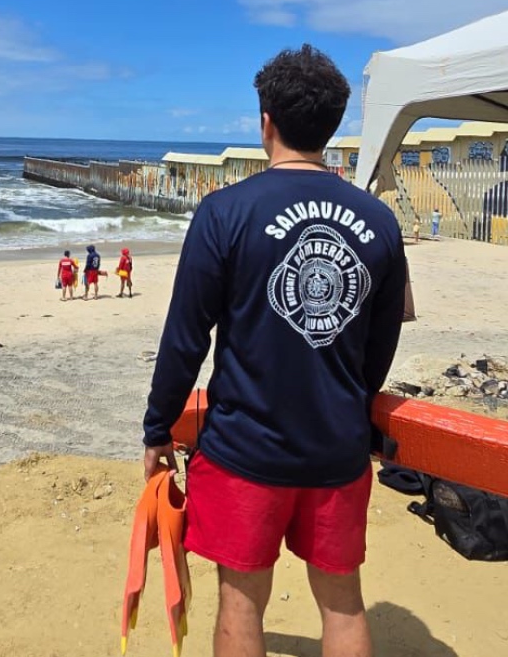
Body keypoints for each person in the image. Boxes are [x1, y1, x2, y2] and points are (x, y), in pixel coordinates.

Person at [142, 44, 406, 657]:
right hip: (337, 447)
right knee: (342, 603)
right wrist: (352, 405)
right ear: (333, 125)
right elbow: (380, 341)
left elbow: (186, 337)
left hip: (244, 449)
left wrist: (158, 428)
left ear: (266, 122)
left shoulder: (224, 212)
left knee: (241, 602)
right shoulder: (379, 221)